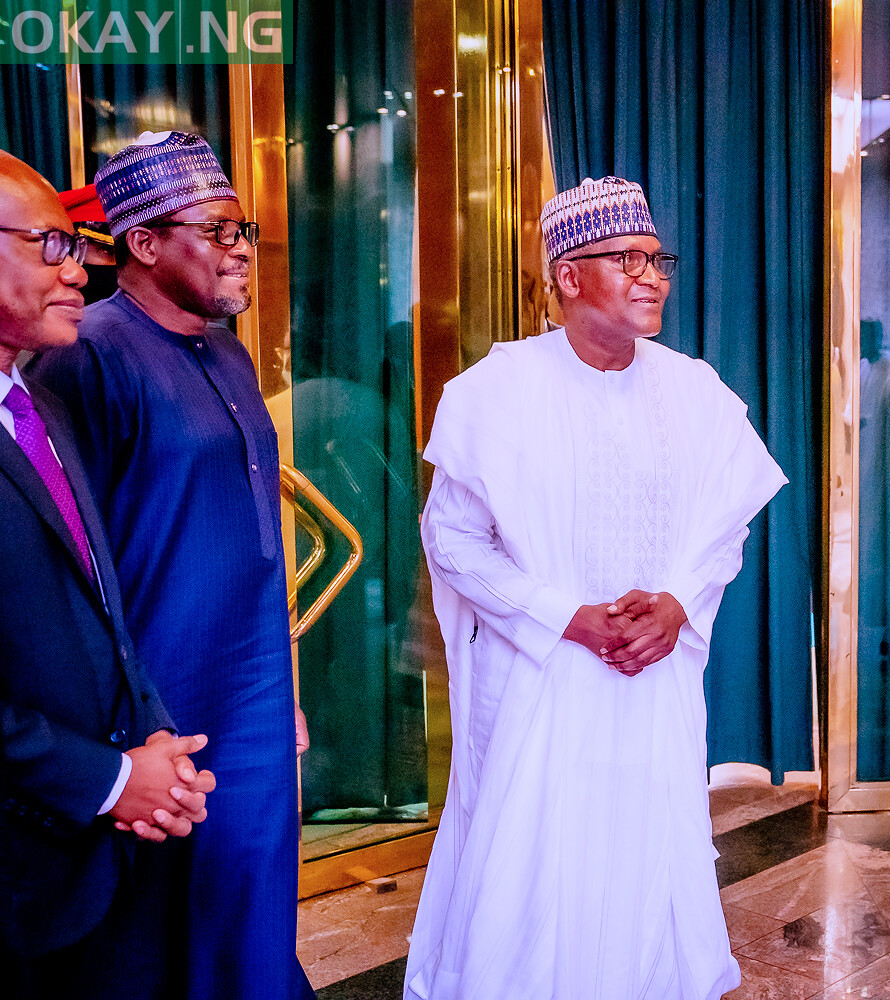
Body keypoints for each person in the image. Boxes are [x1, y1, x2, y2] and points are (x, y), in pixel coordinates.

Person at [405, 176, 787, 999]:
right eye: (628, 259)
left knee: (644, 853)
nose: (652, 276)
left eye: (658, 259)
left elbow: (726, 526)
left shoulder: (695, 388)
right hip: (539, 676)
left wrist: (679, 602)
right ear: (567, 277)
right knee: (535, 862)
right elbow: (454, 541)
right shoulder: (493, 393)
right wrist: (563, 616)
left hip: (651, 677)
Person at [27, 132, 313, 1000]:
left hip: (253, 685)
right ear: (143, 245)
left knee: (254, 894)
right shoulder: (87, 355)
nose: (240, 253)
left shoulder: (224, 350)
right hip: (160, 696)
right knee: (166, 920)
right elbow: (75, 555)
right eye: (216, 232)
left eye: (244, 232)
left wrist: (284, 684)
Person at [0, 150, 214, 998]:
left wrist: (153, 743)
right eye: (53, 245)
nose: (82, 267)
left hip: (97, 858)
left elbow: (101, 605)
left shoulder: (39, 403)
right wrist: (114, 780)